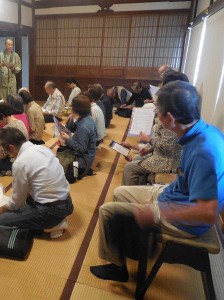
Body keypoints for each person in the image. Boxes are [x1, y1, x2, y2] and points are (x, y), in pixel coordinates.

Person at [90, 81, 224, 282]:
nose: (156, 117)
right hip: (175, 195)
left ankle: (118, 268)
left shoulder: (203, 152)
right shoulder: (203, 131)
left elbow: (206, 213)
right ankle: (134, 246)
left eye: (157, 113)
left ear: (169, 118)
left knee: (107, 211)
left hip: (187, 219)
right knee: (120, 193)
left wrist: (159, 211)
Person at [0, 127, 74, 238]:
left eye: (7, 152)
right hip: (68, 202)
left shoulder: (19, 163)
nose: (9, 155)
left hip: (51, 211)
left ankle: (53, 226)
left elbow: (17, 201)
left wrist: (2, 209)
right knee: (25, 202)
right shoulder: (42, 149)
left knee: (2, 220)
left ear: (11, 148)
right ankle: (52, 220)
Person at [121, 71, 189, 185]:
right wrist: (148, 148)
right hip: (163, 154)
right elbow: (163, 140)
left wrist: (149, 140)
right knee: (137, 158)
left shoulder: (175, 114)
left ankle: (130, 198)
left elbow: (168, 147)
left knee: (130, 168)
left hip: (169, 161)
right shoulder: (178, 108)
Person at [59, 95, 97, 183]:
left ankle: (80, 171)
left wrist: (68, 139)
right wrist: (70, 118)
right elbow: (72, 129)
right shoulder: (87, 118)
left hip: (82, 160)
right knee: (61, 152)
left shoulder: (84, 126)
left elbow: (81, 149)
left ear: (76, 109)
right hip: (86, 155)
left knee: (64, 177)